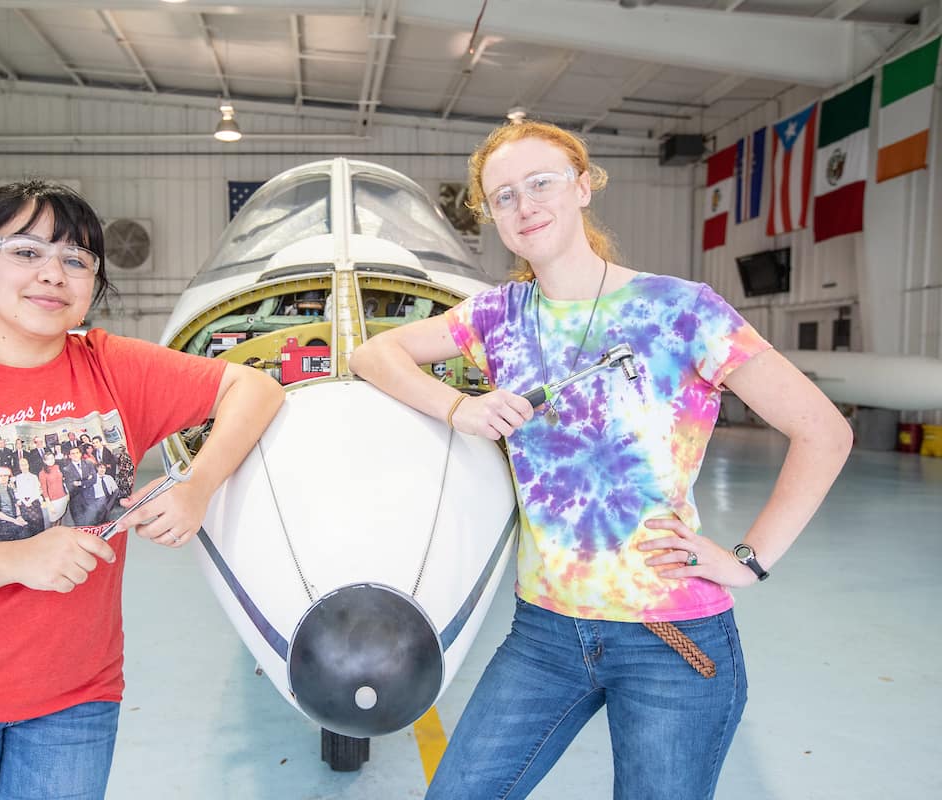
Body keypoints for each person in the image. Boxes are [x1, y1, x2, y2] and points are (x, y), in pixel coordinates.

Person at [349, 120, 853, 799]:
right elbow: (370, 354)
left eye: (541, 183)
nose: (524, 205)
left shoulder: (680, 311)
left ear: (583, 187)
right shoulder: (498, 316)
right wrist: (457, 407)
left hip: (671, 640)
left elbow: (823, 430)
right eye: (503, 196)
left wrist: (749, 559)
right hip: (545, 634)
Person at [0, 179, 285, 800]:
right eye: (27, 252)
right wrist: (17, 558)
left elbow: (254, 389)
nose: (53, 274)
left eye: (76, 260)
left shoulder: (114, 367)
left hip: (74, 701)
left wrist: (197, 485)